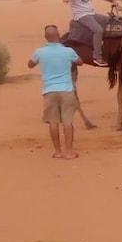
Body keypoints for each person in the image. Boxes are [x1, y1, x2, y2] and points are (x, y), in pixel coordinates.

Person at [28, 25, 83, 159]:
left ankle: (58, 152)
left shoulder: (39, 52)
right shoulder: (68, 51)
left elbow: (30, 64)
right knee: (67, 122)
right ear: (58, 36)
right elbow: (80, 62)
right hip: (66, 90)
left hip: (49, 91)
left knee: (53, 122)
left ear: (45, 37)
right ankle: (69, 152)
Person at [63, 0, 117, 66]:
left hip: (91, 14)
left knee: (110, 21)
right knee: (98, 30)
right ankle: (97, 57)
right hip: (81, 16)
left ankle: (105, 46)